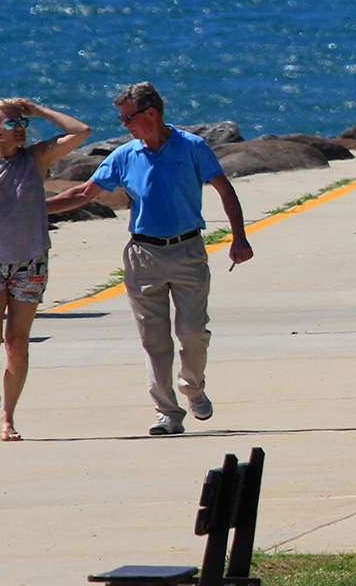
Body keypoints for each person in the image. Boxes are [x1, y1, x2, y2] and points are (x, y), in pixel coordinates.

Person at [52, 82, 253, 435]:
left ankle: (193, 387)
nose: (124, 124)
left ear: (151, 113)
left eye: (128, 117)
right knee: (154, 340)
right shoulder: (124, 155)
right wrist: (33, 208)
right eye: (121, 118)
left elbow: (225, 189)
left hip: (187, 250)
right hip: (143, 255)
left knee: (192, 332)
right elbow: (84, 193)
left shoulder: (192, 147)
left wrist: (239, 237)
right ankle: (167, 413)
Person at [0, 97, 90, 441]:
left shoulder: (35, 157)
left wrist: (38, 110)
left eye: (23, 123)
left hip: (30, 261)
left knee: (17, 341)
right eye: (12, 123)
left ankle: (8, 416)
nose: (21, 129)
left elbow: (81, 131)